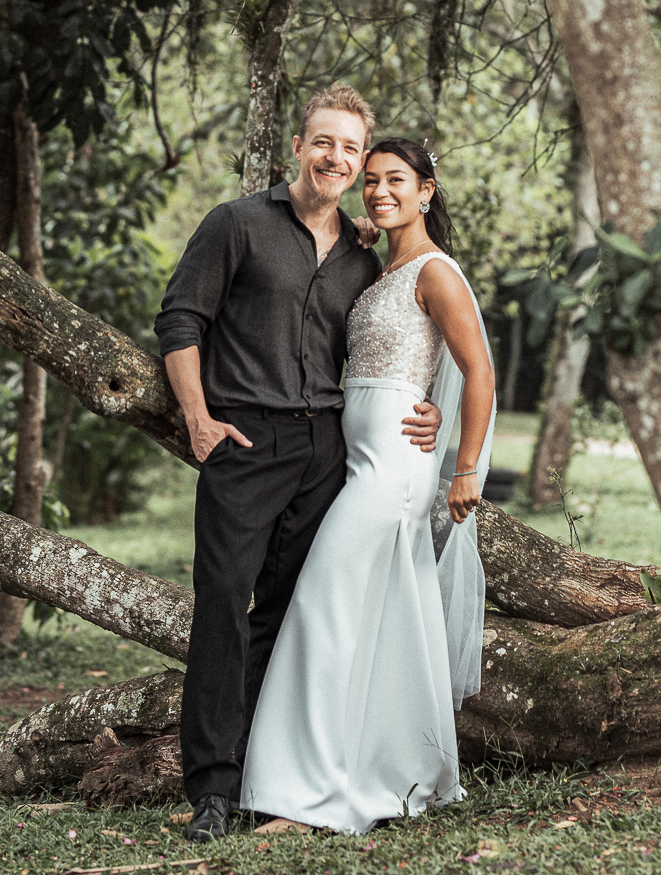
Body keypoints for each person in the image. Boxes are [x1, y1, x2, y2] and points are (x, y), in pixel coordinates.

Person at [153, 88, 442, 842]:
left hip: (326, 448)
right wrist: (197, 418)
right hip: (244, 442)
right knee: (222, 603)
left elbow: (403, 339)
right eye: (324, 143)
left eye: (350, 150)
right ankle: (212, 790)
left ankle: (266, 775)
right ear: (298, 145)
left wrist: (431, 402)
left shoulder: (360, 253)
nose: (336, 159)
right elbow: (180, 317)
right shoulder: (237, 223)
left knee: (289, 610)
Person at [239, 137, 497, 834]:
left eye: (395, 181)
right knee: (382, 623)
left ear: (426, 192)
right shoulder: (385, 267)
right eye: (372, 182)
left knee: (321, 605)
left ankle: (307, 794)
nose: (379, 191)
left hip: (393, 471)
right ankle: (396, 768)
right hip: (356, 460)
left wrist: (464, 464)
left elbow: (477, 370)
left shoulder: (436, 272)